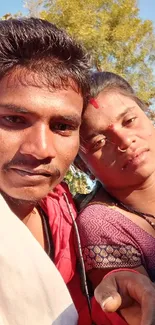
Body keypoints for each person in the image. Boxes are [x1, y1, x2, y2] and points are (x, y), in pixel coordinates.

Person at [0, 18, 155, 325]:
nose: (42, 149)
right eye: (14, 120)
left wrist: (118, 293)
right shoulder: (98, 222)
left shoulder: (63, 211)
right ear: (86, 163)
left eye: (62, 126)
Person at [75, 71, 155, 323]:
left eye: (129, 120)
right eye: (99, 141)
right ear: (83, 166)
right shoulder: (101, 224)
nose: (123, 140)